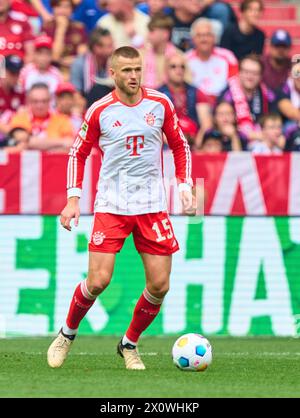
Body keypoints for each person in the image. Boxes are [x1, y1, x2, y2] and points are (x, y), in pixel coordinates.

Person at [47, 46, 194, 371]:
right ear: (112, 73)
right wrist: (73, 199)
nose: (133, 76)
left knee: (160, 285)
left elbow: (180, 144)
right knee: (98, 280)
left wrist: (184, 184)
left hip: (152, 206)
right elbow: (77, 153)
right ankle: (67, 334)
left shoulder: (160, 103)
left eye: (138, 69)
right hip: (112, 204)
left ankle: (129, 344)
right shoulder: (100, 110)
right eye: (126, 70)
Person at [158, 52, 213, 149]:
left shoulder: (196, 92)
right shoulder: (158, 94)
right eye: (173, 66)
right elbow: (154, 125)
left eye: (182, 67)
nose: (178, 70)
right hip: (167, 145)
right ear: (166, 70)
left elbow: (206, 124)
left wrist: (197, 143)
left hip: (193, 143)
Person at [218, 54, 277, 141]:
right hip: (235, 142)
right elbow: (222, 125)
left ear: (261, 76)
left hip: (263, 142)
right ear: (239, 73)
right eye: (246, 72)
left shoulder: (268, 95)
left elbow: (275, 120)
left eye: (255, 73)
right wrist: (249, 135)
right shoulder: (227, 95)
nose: (250, 77)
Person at [186, 17, 239, 103]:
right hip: (195, 106)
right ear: (193, 39)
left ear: (214, 37)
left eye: (208, 35)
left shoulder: (228, 57)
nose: (204, 39)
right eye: (199, 35)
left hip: (223, 105)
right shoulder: (185, 59)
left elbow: (235, 88)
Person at [9, 82, 74, 152]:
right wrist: (59, 143)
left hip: (54, 162)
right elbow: (20, 139)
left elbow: (70, 144)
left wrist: (32, 143)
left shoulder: (62, 119)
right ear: (28, 101)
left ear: (50, 101)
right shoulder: (19, 118)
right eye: (35, 101)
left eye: (44, 101)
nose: (40, 106)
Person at [42, 0, 88, 70]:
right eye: (58, 6)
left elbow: (83, 57)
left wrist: (73, 61)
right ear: (53, 9)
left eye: (67, 7)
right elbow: (54, 57)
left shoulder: (79, 28)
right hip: (51, 69)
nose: (62, 11)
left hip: (74, 69)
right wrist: (61, 29)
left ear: (72, 9)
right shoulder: (47, 28)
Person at [138, 13, 179, 89]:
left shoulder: (178, 57)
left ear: (165, 34)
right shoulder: (141, 54)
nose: (148, 35)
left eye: (152, 31)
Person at [0, 55, 24, 141]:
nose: (15, 77)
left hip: (15, 133)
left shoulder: (21, 92)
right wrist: (13, 132)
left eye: (17, 73)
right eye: (12, 73)